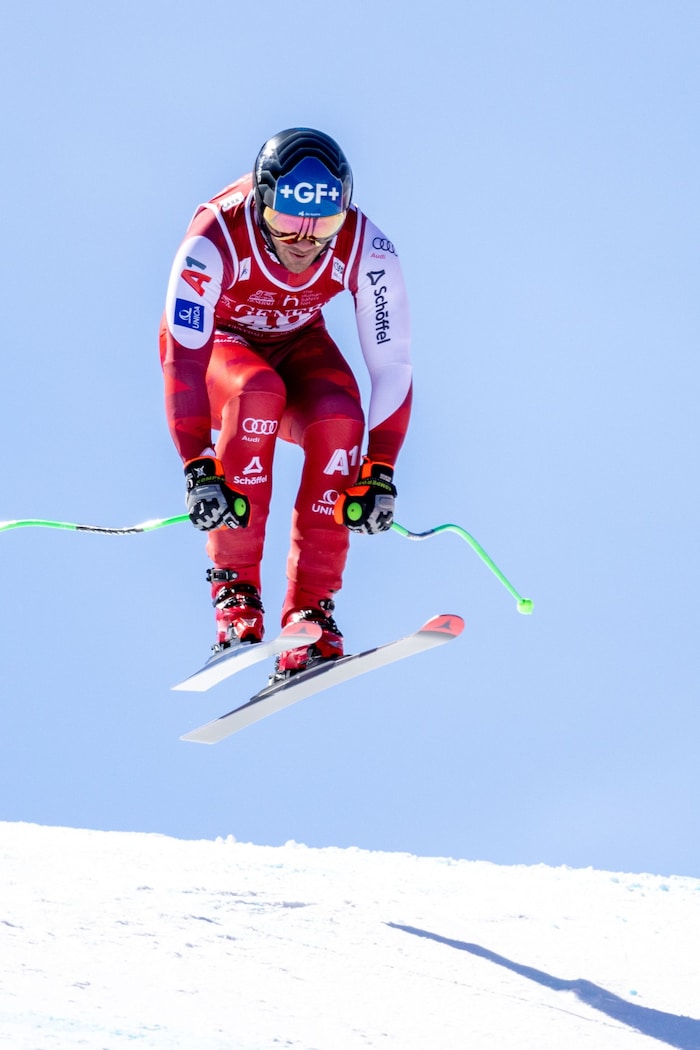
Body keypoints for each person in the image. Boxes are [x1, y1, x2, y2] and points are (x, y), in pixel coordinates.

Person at [160, 128, 412, 676]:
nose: (304, 241)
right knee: (258, 396)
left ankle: (310, 616)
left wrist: (381, 470)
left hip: (298, 341)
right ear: (260, 204)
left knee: (340, 418)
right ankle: (235, 593)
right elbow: (184, 359)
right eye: (286, 223)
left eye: (323, 225)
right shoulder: (214, 236)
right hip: (219, 344)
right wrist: (198, 463)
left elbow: (392, 368)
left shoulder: (368, 248)